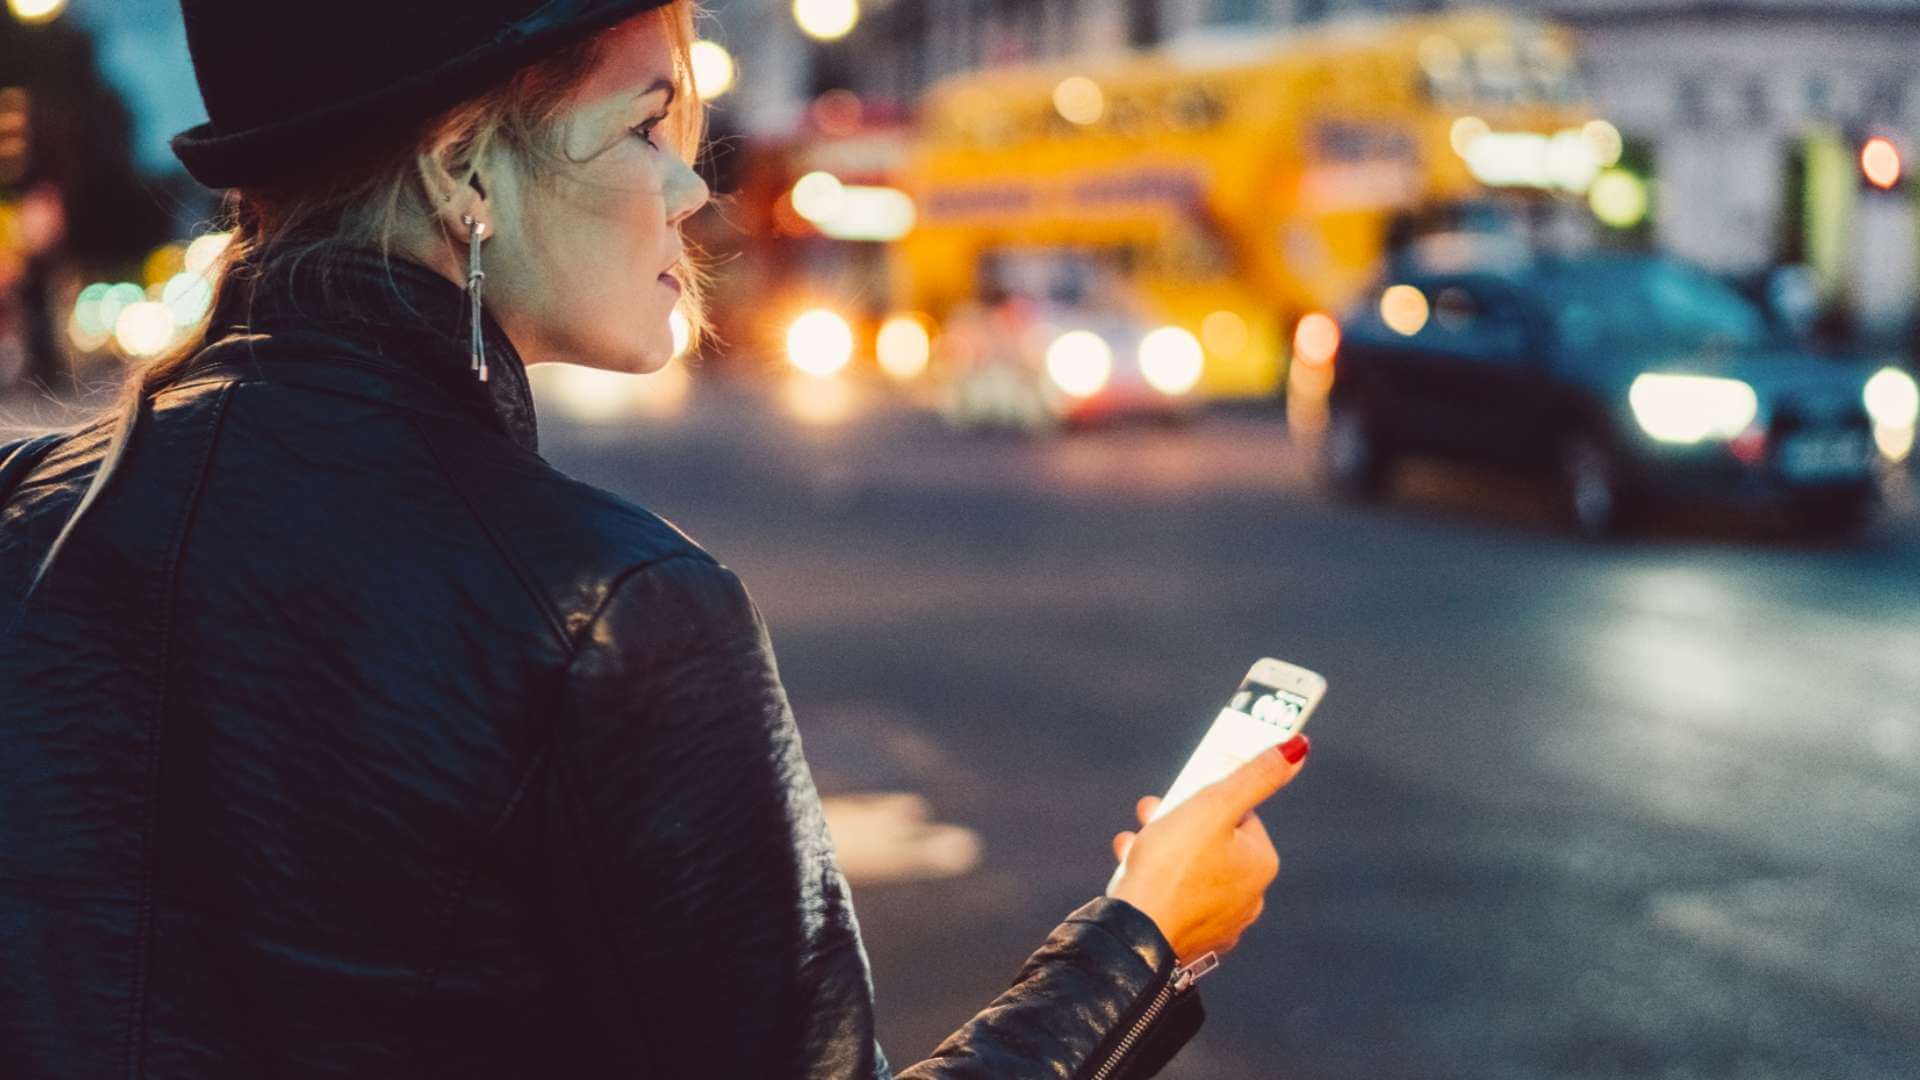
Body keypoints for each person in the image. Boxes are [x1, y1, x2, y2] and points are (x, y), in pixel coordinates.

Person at [0, 2, 1311, 1075]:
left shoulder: (29, 515)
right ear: (464, 169)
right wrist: (1145, 936)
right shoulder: (615, 609)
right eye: (645, 124)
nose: (692, 185)